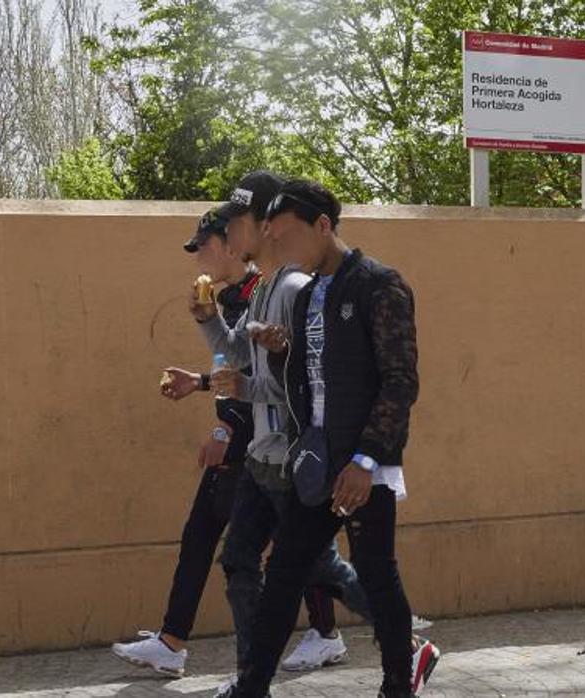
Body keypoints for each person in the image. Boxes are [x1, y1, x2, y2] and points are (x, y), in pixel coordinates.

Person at [229, 180, 439, 698]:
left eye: (289, 235)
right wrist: (281, 351)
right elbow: (307, 380)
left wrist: (366, 460)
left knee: (375, 573)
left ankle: (398, 683)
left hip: (362, 464)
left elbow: (400, 381)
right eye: (275, 238)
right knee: (284, 573)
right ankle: (252, 686)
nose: (281, 246)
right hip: (317, 463)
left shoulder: (379, 285)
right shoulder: (307, 297)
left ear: (323, 225)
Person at [188, 172, 376, 693]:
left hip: (292, 462)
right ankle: (252, 680)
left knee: (322, 569)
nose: (229, 234)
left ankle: (400, 635)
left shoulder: (294, 290)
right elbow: (236, 353)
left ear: (267, 225)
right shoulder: (264, 289)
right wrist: (208, 321)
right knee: (241, 561)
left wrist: (242, 387)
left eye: (237, 222)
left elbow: (301, 384)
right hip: (262, 458)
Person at [109, 207, 259, 677]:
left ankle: (366, 630)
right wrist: (199, 381)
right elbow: (233, 367)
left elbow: (260, 377)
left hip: (257, 444)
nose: (198, 259)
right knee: (204, 538)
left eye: (204, 247)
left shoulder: (261, 295)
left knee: (272, 558)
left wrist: (225, 430)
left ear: (231, 244)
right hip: (242, 438)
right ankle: (172, 642)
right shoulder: (232, 297)